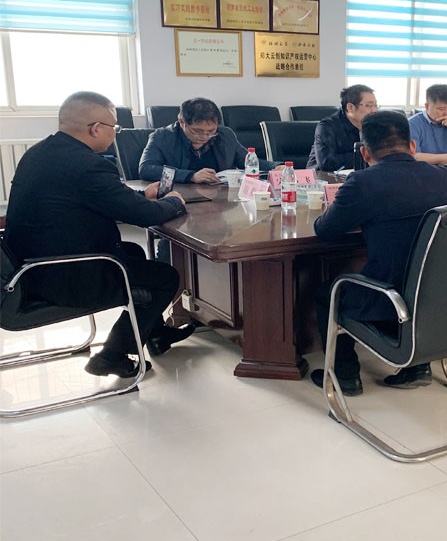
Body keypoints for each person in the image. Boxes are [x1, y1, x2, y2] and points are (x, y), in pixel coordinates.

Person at [4, 91, 195, 378]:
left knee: (133, 252)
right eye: (114, 127)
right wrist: (174, 202)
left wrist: (142, 195)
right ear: (96, 128)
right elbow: (143, 216)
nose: (115, 133)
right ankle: (112, 355)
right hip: (61, 276)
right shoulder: (89, 165)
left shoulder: (40, 152)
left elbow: (96, 199)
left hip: (27, 268)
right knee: (165, 278)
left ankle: (154, 332)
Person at [309, 110, 447, 395]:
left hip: (387, 297)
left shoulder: (363, 183)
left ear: (365, 153)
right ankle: (417, 365)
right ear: (412, 146)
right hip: (436, 295)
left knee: (329, 292)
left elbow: (325, 230)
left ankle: (345, 375)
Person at [139, 97, 282, 184]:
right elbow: (146, 169)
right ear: (182, 122)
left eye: (210, 131)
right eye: (197, 131)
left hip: (219, 200)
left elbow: (246, 160)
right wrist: (191, 176)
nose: (204, 136)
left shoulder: (224, 134)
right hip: (180, 198)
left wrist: (275, 167)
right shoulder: (162, 137)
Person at [307, 85, 378, 171]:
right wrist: (365, 156)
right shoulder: (327, 126)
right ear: (350, 107)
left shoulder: (374, 125)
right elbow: (326, 162)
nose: (374, 110)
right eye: (369, 105)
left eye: (375, 105)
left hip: (359, 174)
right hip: (323, 176)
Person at [408, 84, 447, 165]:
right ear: (427, 106)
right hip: (423, 170)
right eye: (441, 109)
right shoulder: (412, 124)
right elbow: (413, 156)